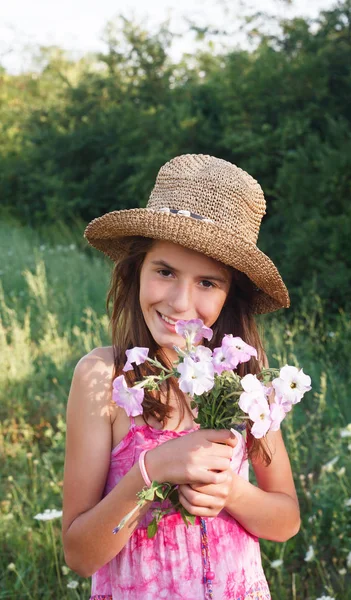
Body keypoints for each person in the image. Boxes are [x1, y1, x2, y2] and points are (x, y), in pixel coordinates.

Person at [61, 154, 301, 600]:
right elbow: (79, 553)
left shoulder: (243, 382)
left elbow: (286, 519)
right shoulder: (105, 378)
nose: (179, 302)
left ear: (230, 296)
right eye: (165, 271)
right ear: (135, 271)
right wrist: (150, 473)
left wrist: (232, 493)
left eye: (208, 282)